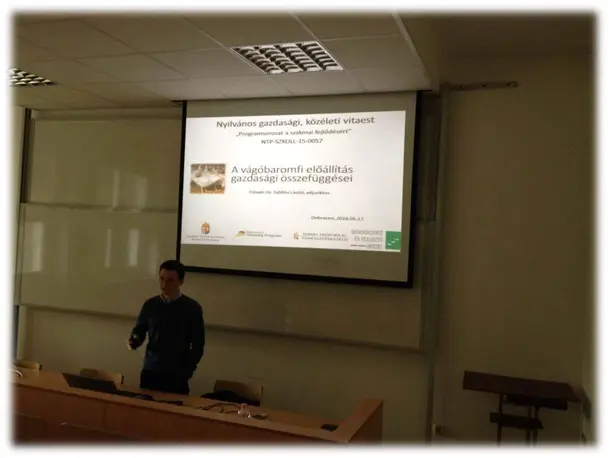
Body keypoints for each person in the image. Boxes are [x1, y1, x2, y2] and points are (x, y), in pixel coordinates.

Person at [127, 260, 205, 395]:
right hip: (150, 371)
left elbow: (198, 345)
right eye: (161, 279)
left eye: (170, 281)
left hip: (177, 375)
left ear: (181, 281)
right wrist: (134, 341)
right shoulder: (150, 304)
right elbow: (139, 330)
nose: (164, 285)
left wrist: (187, 371)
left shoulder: (192, 308)